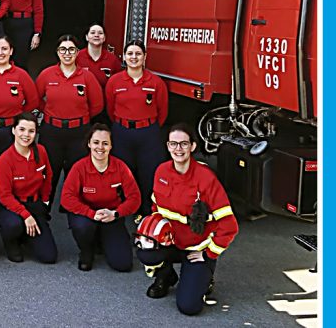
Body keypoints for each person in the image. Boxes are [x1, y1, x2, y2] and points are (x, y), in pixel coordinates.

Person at [137, 124, 238, 316]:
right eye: (173, 144)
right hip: (172, 242)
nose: (178, 149)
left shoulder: (205, 177)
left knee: (189, 307)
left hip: (197, 247)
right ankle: (165, 276)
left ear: (192, 146)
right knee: (146, 252)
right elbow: (155, 207)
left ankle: (205, 276)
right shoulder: (161, 171)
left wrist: (209, 253)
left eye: (183, 143)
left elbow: (229, 225)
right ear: (167, 146)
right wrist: (152, 234)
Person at [35, 35, 104, 208]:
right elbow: (36, 99)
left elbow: (97, 105)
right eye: (63, 49)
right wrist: (51, 113)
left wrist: (79, 117)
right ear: (57, 53)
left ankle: (74, 211)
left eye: (71, 49)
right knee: (48, 173)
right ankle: (44, 210)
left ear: (77, 53)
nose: (67, 53)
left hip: (78, 133)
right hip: (52, 131)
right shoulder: (47, 74)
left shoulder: (87, 77)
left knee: (77, 174)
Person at [60, 124, 141, 272]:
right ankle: (86, 251)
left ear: (111, 146)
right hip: (87, 215)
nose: (100, 147)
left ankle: (104, 240)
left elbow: (135, 198)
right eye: (96, 142)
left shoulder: (121, 167)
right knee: (82, 227)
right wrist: (90, 213)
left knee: (123, 265)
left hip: (111, 215)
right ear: (89, 144)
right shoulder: (79, 167)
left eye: (105, 143)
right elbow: (66, 198)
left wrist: (116, 213)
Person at [105, 40, 169, 215]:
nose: (134, 57)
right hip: (122, 132)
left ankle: (147, 211)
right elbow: (110, 108)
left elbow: (162, 111)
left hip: (148, 134)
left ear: (145, 57)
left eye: (138, 54)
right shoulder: (114, 81)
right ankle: (125, 209)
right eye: (130, 54)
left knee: (149, 172)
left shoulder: (156, 82)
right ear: (124, 57)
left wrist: (146, 126)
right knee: (124, 172)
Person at [0, 113, 57, 264]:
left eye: (31, 131)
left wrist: (45, 202)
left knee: (49, 257)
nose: (26, 135)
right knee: (13, 224)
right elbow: (5, 196)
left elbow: (48, 177)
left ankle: (27, 236)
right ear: (13, 130)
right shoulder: (5, 159)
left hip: (34, 204)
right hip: (11, 206)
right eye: (21, 129)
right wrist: (26, 215)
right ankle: (12, 242)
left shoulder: (41, 151)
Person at [76, 24, 123, 93]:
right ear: (86, 37)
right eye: (92, 32)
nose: (96, 35)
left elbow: (118, 83)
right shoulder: (77, 57)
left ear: (104, 38)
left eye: (100, 33)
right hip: (82, 100)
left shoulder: (112, 59)